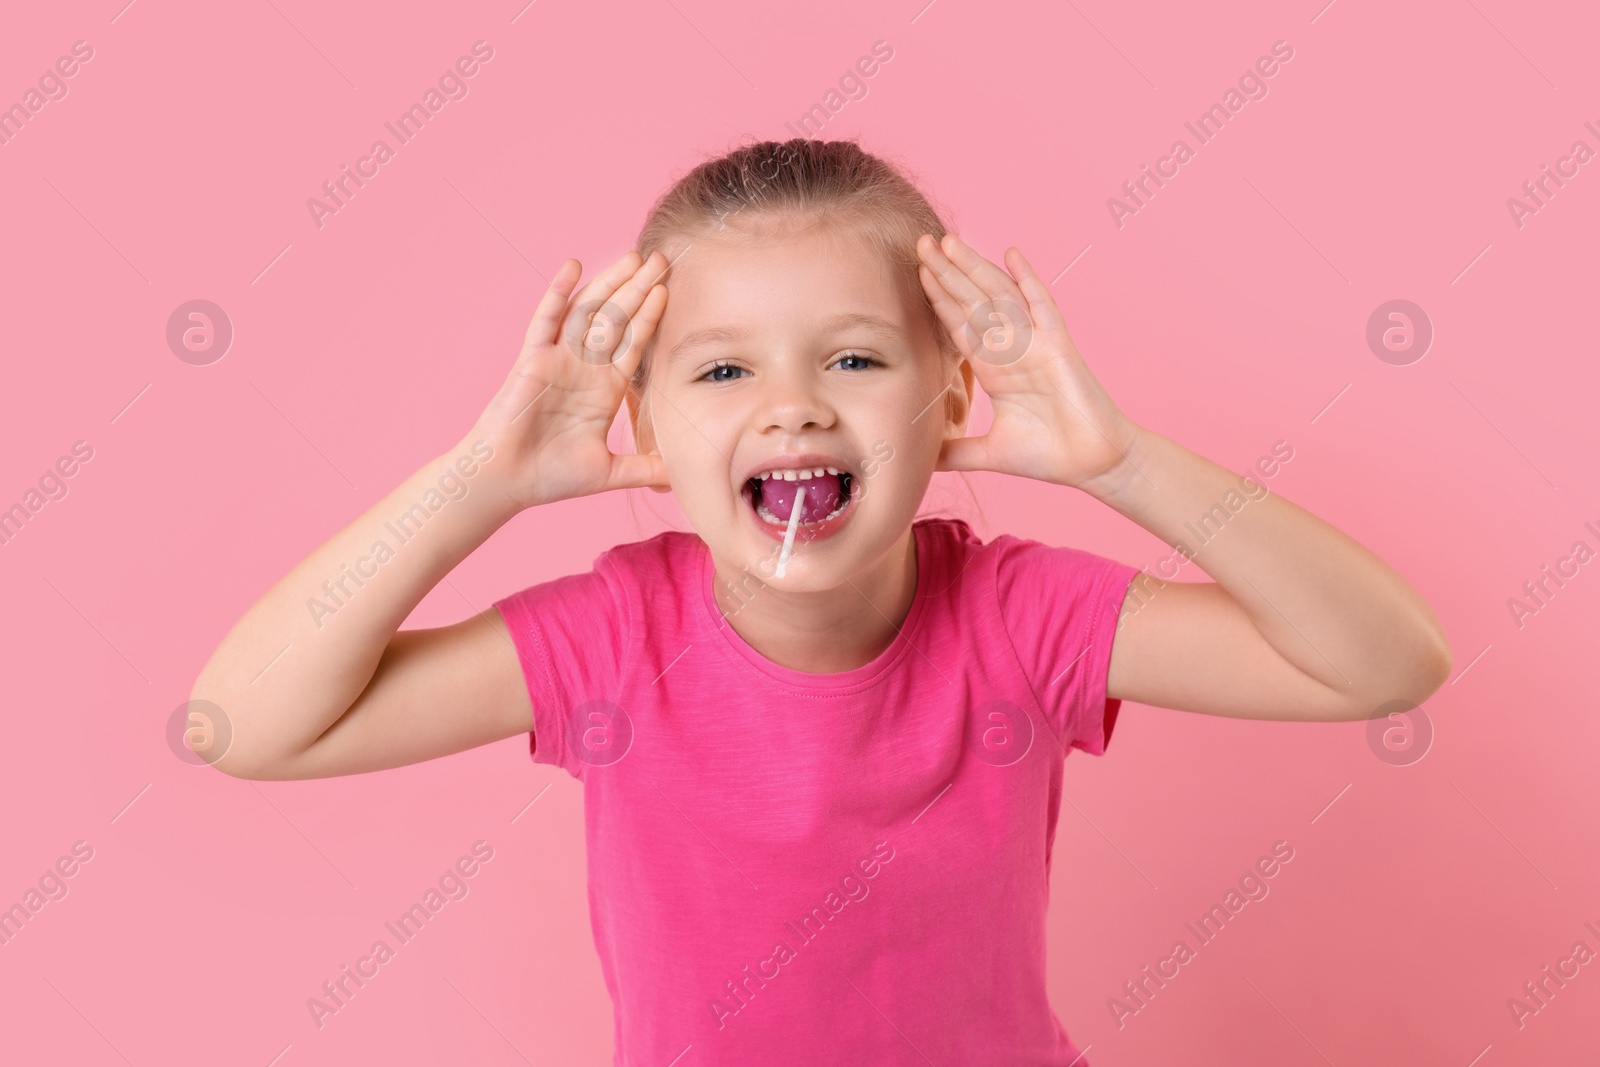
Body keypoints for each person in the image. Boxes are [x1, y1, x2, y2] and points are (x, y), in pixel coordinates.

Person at [190, 138, 1452, 1065]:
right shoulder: (610, 638)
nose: (790, 405)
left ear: (951, 401)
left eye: (854, 358)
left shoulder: (1019, 616)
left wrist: (1115, 457)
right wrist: (480, 483)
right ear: (642, 421)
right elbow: (245, 727)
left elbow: (1383, 664)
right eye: (723, 368)